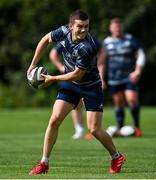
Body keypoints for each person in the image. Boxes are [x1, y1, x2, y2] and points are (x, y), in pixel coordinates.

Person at [27, 10, 125, 175]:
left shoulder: (88, 46)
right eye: (80, 26)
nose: (84, 30)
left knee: (94, 129)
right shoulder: (64, 31)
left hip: (91, 87)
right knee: (54, 120)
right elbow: (45, 39)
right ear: (71, 26)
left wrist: (53, 79)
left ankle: (116, 156)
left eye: (86, 26)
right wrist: (32, 64)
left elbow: (77, 74)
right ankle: (44, 162)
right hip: (70, 85)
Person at [98, 18, 146, 137]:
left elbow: (140, 54)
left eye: (119, 27)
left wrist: (137, 71)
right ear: (110, 28)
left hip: (129, 76)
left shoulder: (130, 40)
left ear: (122, 28)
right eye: (115, 27)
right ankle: (120, 127)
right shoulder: (107, 42)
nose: (117, 29)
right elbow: (102, 61)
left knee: (132, 99)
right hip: (114, 78)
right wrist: (101, 78)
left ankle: (137, 126)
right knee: (119, 103)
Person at [49, 46, 84, 139]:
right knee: (76, 105)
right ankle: (79, 129)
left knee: (84, 103)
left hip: (86, 79)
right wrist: (61, 68)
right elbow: (53, 54)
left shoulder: (90, 41)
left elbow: (102, 51)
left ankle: (91, 129)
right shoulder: (66, 40)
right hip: (70, 79)